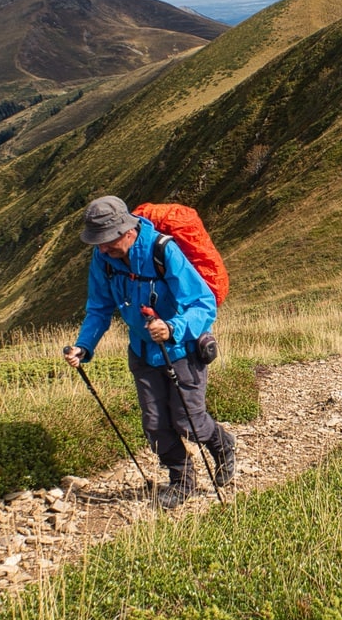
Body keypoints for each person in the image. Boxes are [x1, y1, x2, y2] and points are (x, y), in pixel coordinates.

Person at [63, 196, 236, 509]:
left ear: (127, 231)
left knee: (190, 423)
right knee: (155, 426)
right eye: (97, 242)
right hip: (143, 353)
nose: (101, 248)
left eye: (106, 241)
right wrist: (83, 346)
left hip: (182, 350)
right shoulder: (103, 259)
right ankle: (181, 481)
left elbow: (203, 303)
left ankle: (222, 444)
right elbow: (100, 307)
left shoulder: (163, 250)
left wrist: (172, 328)